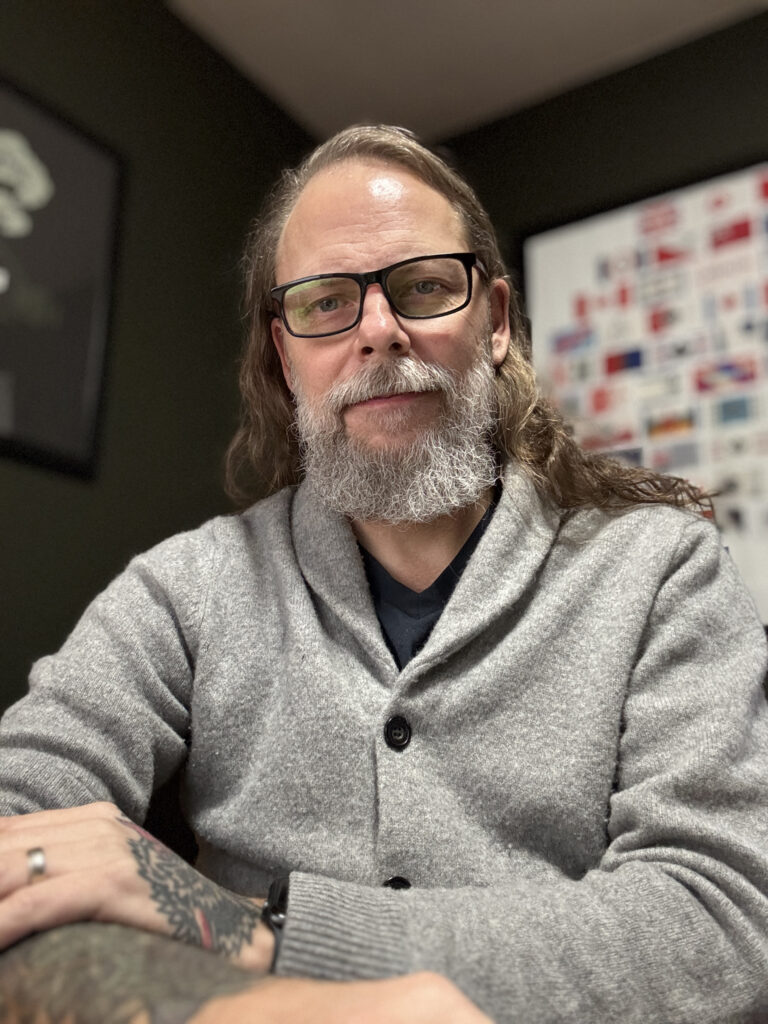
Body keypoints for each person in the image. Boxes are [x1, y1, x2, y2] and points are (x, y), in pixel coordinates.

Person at [1, 124, 767, 1024]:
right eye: (324, 302)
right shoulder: (187, 589)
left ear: (496, 323)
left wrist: (268, 934)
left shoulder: (660, 567)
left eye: (426, 287)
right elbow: (20, 828)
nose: (378, 331)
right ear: (285, 358)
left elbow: (719, 925)